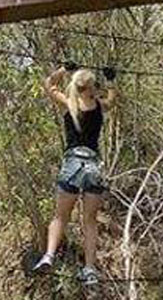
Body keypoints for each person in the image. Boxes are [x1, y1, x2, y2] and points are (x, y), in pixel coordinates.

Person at [32, 63, 118, 285]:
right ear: (91, 88)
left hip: (72, 164)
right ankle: (89, 269)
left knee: (61, 216)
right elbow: (112, 100)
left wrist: (62, 70)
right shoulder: (99, 105)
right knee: (90, 221)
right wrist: (110, 81)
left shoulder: (69, 103)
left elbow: (48, 85)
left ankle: (49, 255)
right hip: (92, 167)